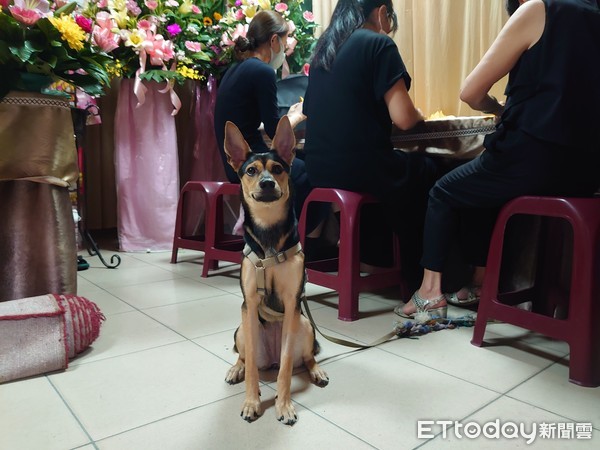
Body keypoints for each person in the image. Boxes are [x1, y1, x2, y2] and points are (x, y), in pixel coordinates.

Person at [396, 0, 600, 319]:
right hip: (587, 172)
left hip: (532, 157)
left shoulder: (538, 9)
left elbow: (470, 92)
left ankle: (429, 292)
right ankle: (478, 283)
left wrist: (499, 107)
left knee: (443, 192)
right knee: (480, 188)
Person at [302, 0, 446, 286]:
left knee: (397, 171)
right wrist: (417, 113)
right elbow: (404, 119)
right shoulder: (378, 44)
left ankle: (376, 260)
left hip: (318, 169)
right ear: (382, 13)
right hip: (360, 168)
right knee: (432, 170)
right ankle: (421, 277)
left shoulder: (325, 49)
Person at [214, 10, 309, 218]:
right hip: (253, 163)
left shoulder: (234, 69)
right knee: (309, 172)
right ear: (274, 40)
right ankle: (298, 237)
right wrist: (297, 115)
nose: (284, 49)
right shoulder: (263, 72)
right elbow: (275, 130)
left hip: (236, 162)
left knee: (305, 159)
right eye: (284, 43)